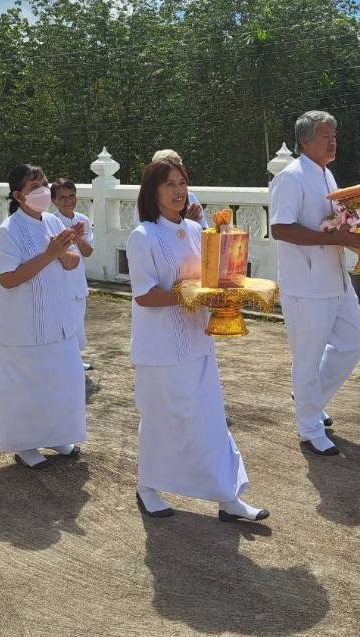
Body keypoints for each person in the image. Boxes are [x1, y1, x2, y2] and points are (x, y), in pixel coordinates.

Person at [127, 158, 268, 522]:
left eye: (182, 183)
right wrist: (192, 296)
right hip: (159, 348)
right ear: (152, 191)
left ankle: (228, 496)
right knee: (163, 419)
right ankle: (148, 486)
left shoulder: (195, 229)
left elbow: (216, 276)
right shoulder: (143, 236)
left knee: (209, 419)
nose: (178, 191)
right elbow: (145, 295)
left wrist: (227, 288)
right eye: (169, 184)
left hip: (197, 341)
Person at [269, 110, 360, 456]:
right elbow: (280, 228)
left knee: (353, 341)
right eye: (326, 135)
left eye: (334, 134)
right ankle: (310, 428)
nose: (333, 141)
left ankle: (309, 399)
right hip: (306, 284)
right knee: (307, 358)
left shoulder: (327, 176)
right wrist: (332, 240)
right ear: (305, 141)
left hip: (335, 278)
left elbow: (333, 224)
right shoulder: (291, 177)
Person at [0, 165, 86, 469]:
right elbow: (8, 279)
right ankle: (25, 444)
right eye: (35, 186)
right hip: (24, 324)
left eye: (44, 183)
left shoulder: (52, 221)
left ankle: (56, 435)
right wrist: (49, 253)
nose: (43, 190)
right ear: (19, 195)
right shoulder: (8, 230)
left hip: (58, 318)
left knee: (59, 381)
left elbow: (72, 263)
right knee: (27, 387)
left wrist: (62, 247)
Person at [49, 178, 94, 372]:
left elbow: (88, 252)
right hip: (60, 280)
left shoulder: (83, 219)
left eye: (71, 196)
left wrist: (78, 238)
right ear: (54, 200)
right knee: (62, 325)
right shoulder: (51, 221)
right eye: (62, 197)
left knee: (77, 325)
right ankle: (63, 363)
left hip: (78, 281)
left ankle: (74, 360)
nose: (68, 201)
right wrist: (68, 237)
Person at [130, 149, 207, 228]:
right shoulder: (145, 204)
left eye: (178, 165)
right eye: (170, 184)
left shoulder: (190, 198)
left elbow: (205, 231)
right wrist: (184, 223)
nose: (179, 190)